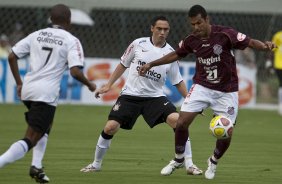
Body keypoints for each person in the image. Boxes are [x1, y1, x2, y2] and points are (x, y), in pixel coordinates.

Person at [139, 5, 276, 179]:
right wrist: (152, 64)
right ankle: (179, 159)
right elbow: (176, 55)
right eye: (192, 24)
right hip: (202, 87)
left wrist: (265, 47)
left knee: (227, 132)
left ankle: (213, 161)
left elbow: (249, 41)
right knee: (181, 122)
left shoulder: (225, 34)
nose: (196, 27)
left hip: (227, 91)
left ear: (207, 19)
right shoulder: (191, 40)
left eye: (199, 23)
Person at [80, 16, 202, 176]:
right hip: (130, 95)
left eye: (166, 30)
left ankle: (189, 164)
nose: (162, 32)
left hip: (155, 98)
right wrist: (109, 85)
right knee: (110, 127)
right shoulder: (138, 44)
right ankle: (96, 164)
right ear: (152, 28)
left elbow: (177, 81)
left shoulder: (171, 53)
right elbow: (123, 64)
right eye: (159, 29)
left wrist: (190, 100)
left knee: (178, 122)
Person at [0, 4, 96, 183]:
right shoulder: (71, 40)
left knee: (46, 125)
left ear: (51, 20)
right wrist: (90, 84)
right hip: (45, 93)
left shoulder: (37, 34)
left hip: (28, 89)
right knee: (31, 137)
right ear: (69, 21)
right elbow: (75, 71)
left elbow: (12, 56)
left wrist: (19, 84)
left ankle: (36, 166)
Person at [271, 31, 282, 115]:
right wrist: (269, 62)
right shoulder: (278, 35)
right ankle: (280, 105)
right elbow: (272, 49)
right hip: (279, 64)